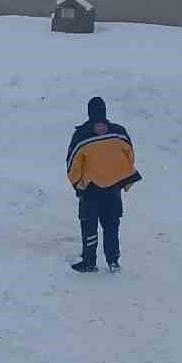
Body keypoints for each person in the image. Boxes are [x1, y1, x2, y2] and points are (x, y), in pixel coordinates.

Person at [66, 96, 140, 273]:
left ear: (90, 113)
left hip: (91, 191)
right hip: (113, 190)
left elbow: (72, 164)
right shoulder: (118, 132)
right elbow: (129, 156)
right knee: (112, 225)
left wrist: (78, 185)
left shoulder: (82, 135)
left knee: (89, 225)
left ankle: (89, 261)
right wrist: (122, 178)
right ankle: (113, 261)